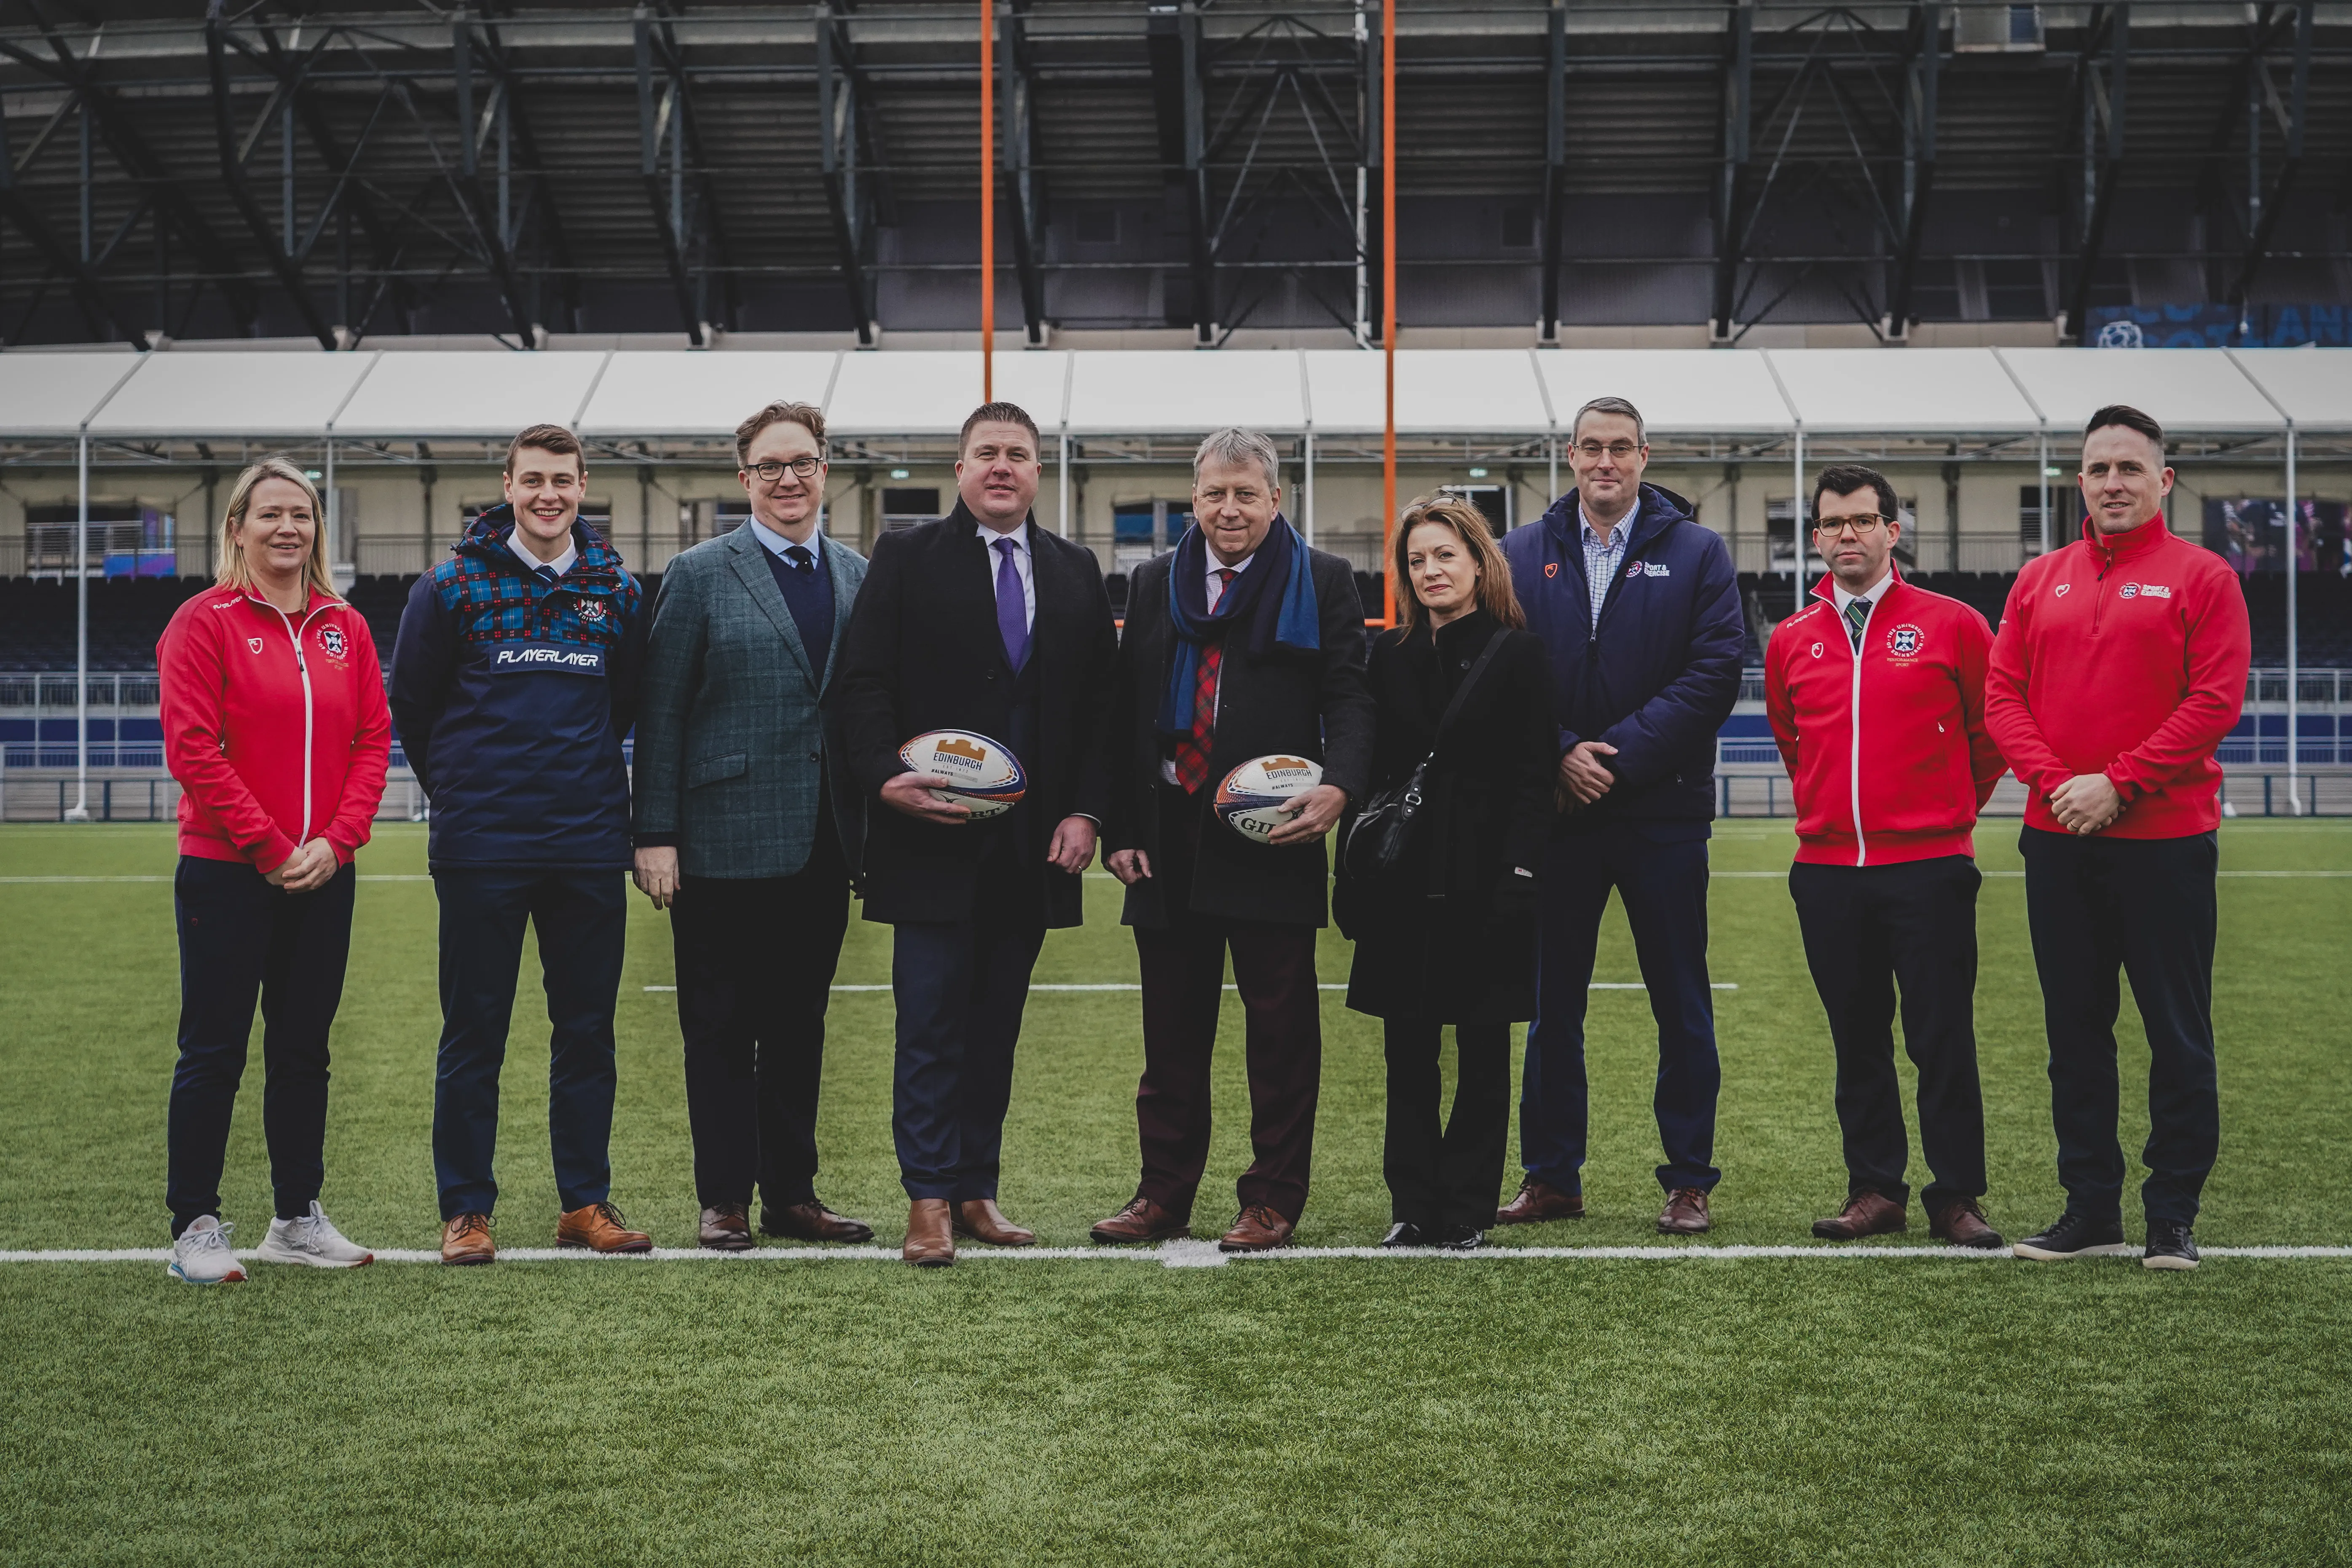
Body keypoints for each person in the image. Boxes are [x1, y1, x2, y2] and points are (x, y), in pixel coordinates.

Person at [833, 402, 1119, 1267]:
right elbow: (862, 685)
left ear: (1038, 473)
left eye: (1019, 455)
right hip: (929, 840)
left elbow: (1102, 711)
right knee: (929, 1026)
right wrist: (886, 775)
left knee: (995, 1028)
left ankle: (974, 1189)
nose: (1003, 467)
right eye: (987, 453)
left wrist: (1087, 813)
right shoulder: (907, 557)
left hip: (1033, 850)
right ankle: (927, 1200)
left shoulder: (1076, 568)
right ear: (959, 470)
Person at [1092, 429, 1373, 1253]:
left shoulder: (1321, 582)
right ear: (1195, 497)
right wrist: (1122, 828)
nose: (1229, 508)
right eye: (1214, 493)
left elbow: (1352, 700)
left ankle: (1272, 1198)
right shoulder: (1152, 584)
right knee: (1170, 1039)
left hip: (1273, 838)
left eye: (1246, 493)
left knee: (1282, 1037)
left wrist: (1341, 786)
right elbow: (1126, 715)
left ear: (1276, 499)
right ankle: (1163, 1193)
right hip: (1167, 841)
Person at [1986, 404, 2250, 1271]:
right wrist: (2060, 785)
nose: (2113, 484)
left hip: (2166, 840)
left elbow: (2213, 702)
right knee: (2075, 1033)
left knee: (2177, 1032)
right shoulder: (2039, 579)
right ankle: (2090, 1209)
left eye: (2130, 469)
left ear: (2163, 480)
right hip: (2056, 836)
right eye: (2098, 470)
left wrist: (2122, 781)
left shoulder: (2204, 578)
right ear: (2079, 482)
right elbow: (2002, 698)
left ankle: (2171, 1214)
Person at [390, 423, 653, 1266]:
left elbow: (624, 706)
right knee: (475, 1031)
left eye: (564, 481)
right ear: (507, 484)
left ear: (583, 488)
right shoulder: (450, 586)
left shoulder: (615, 588)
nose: (549, 494)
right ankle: (466, 1210)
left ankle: (584, 1202)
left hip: (584, 843)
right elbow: (416, 712)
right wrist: (468, 793)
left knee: (587, 1031)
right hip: (483, 848)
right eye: (533, 479)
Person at [1499, 395, 1744, 1235]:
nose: (1606, 462)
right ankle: (1551, 1176)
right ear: (1569, 456)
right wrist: (1561, 751)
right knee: (1550, 1006)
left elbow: (1714, 672)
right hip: (1557, 816)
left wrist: (1618, 757)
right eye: (1591, 448)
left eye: (1622, 449)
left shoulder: (1699, 551)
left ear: (1646, 456)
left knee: (1681, 1001)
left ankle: (1688, 1179)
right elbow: (1503, 670)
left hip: (1663, 815)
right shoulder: (1520, 553)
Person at [631, 401, 873, 1251]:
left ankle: (793, 1195)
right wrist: (654, 833)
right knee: (723, 1028)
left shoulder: (854, 573)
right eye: (770, 466)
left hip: (822, 842)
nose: (788, 479)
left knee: (800, 1028)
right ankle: (725, 1197)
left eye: (802, 462)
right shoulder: (700, 573)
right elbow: (660, 712)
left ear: (825, 471)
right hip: (720, 841)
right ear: (745, 481)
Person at [156, 458, 391, 1284]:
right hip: (226, 871)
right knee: (214, 1049)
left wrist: (338, 839)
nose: (288, 528)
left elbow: (371, 740)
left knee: (304, 1049)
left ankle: (296, 1217)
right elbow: (193, 749)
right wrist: (269, 844)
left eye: (302, 514)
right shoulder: (203, 621)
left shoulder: (345, 627)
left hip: (326, 872)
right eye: (271, 515)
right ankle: (195, 1223)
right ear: (237, 528)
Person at [1764, 463, 2006, 1250]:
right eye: (1832, 524)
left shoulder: (1955, 624)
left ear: (1892, 531)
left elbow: (1988, 733)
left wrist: (1945, 816)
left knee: (1941, 1036)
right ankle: (1875, 1188)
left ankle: (1957, 1196)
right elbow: (1793, 742)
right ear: (1815, 537)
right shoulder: (1793, 639)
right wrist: (1833, 815)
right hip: (1830, 873)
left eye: (1862, 521)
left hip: (1930, 867)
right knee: (1857, 1037)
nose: (1846, 536)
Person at [1335, 496, 1552, 1252]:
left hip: (1488, 877)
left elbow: (1534, 778)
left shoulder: (1519, 653)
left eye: (1445, 557)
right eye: (1417, 560)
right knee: (1408, 1055)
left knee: (1485, 1054)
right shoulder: (1389, 654)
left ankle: (1466, 1207)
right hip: (1402, 882)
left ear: (1478, 562)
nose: (1430, 571)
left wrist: (1520, 876)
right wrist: (1351, 878)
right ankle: (1412, 1204)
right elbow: (1369, 775)